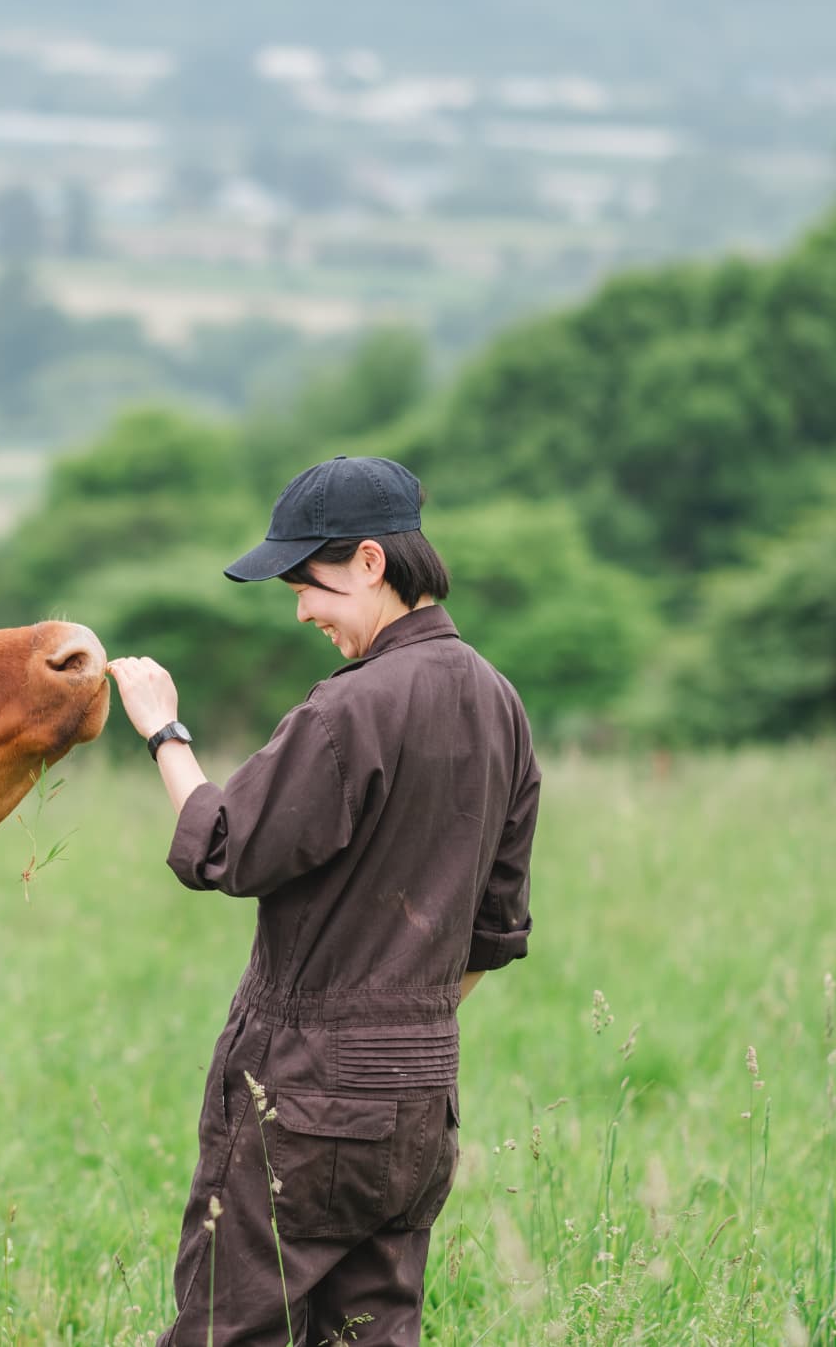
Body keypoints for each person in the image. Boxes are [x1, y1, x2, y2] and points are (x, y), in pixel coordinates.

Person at [106, 456, 539, 1347]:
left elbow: (224, 843)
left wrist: (162, 728)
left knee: (231, 1329)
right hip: (421, 1097)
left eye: (309, 583)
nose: (303, 609)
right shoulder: (502, 704)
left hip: (301, 1097)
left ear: (373, 563)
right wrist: (399, 1030)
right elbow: (494, 930)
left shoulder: (349, 709)